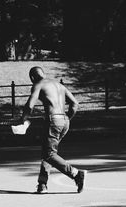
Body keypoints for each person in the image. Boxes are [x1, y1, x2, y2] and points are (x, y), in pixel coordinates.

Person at [20, 66, 87, 194]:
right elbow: (75, 103)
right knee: (49, 152)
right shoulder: (59, 85)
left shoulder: (38, 84)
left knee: (49, 154)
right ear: (43, 74)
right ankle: (42, 184)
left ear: (32, 78)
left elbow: (29, 106)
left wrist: (22, 119)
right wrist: (67, 118)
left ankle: (76, 174)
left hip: (53, 120)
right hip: (64, 121)